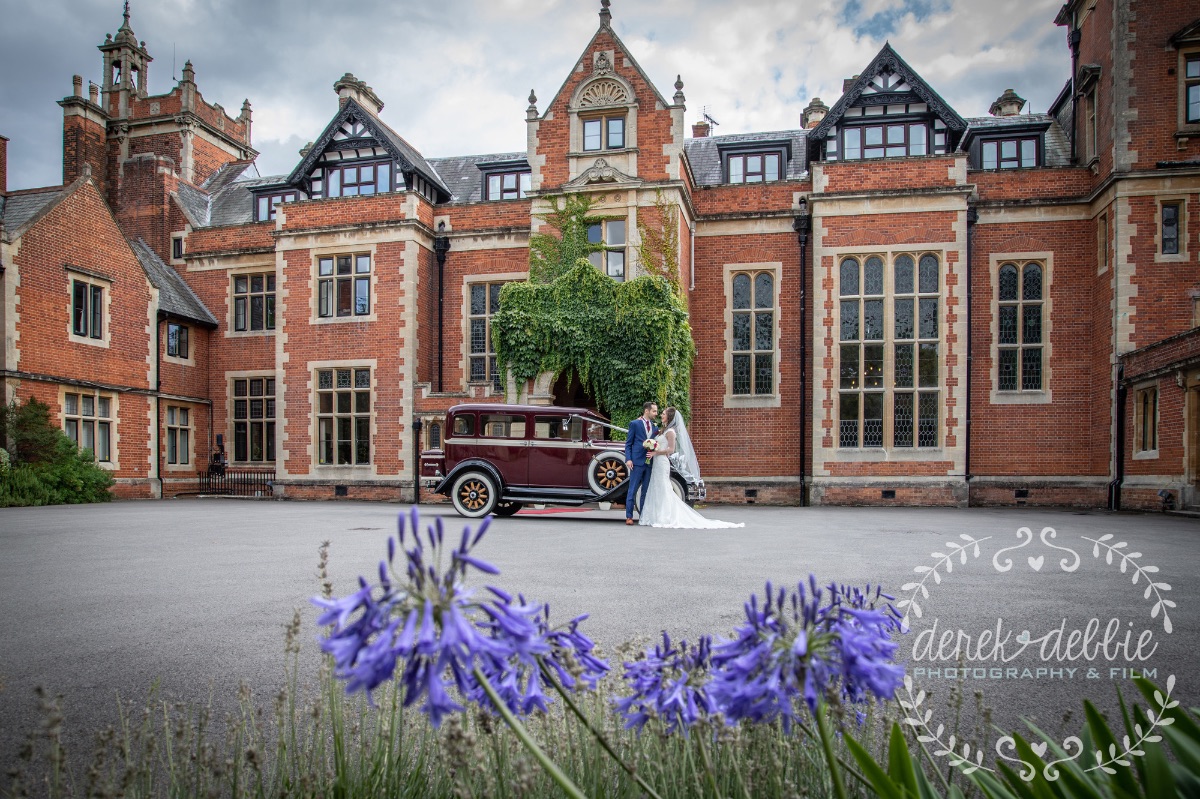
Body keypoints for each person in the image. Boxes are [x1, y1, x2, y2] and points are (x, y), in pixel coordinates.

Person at [639, 407, 743, 529]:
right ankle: (654, 515)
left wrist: (656, 452)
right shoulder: (663, 430)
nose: (661, 415)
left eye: (663, 414)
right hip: (656, 462)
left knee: (663, 487)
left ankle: (665, 516)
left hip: (662, 462)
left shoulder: (671, 432)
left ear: (669, 417)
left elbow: (670, 450)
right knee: (656, 487)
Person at [623, 400, 659, 525]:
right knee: (632, 490)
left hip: (649, 463)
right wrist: (628, 459)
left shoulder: (655, 427)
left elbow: (655, 442)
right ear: (646, 411)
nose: (656, 413)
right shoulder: (635, 424)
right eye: (654, 411)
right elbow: (628, 444)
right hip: (636, 461)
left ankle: (643, 516)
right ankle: (629, 516)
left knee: (645, 491)